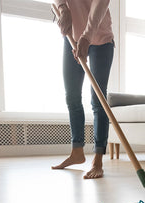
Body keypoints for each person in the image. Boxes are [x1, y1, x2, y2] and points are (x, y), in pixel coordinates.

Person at [51, 0, 114, 179]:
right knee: (72, 96)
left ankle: (98, 159)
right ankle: (77, 151)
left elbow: (101, 4)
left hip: (100, 39)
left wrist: (86, 36)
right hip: (72, 36)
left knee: (98, 99)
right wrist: (63, 8)